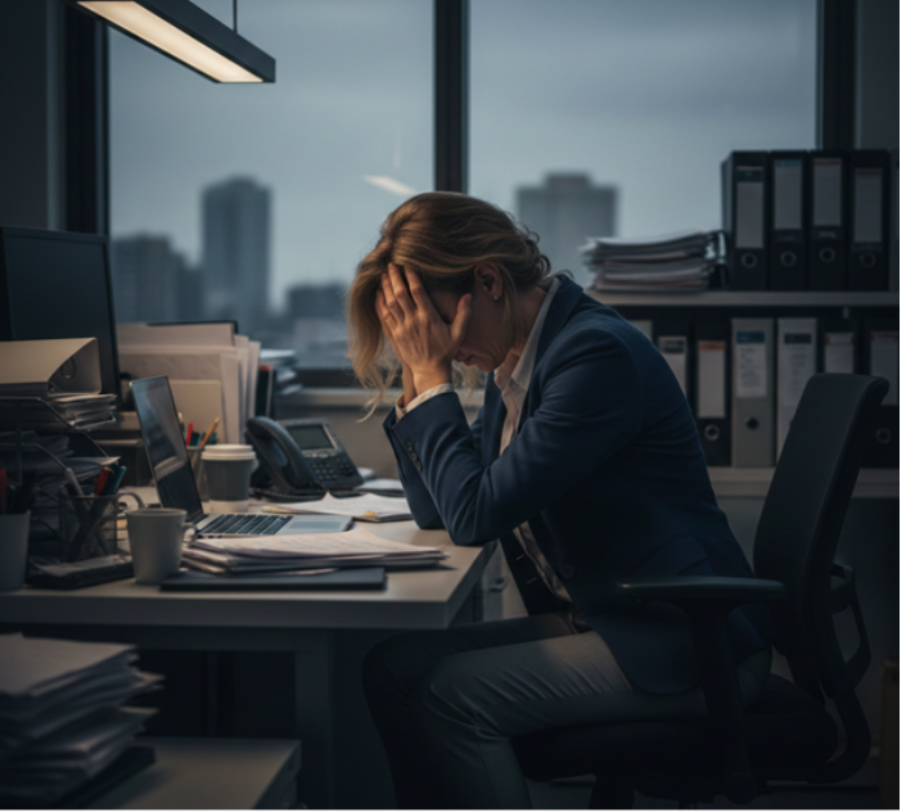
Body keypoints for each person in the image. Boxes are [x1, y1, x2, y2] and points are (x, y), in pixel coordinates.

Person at [347, 192, 771, 811]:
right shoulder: (517, 359)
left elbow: (473, 517)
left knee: (450, 696)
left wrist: (436, 379)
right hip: (608, 617)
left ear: (487, 280)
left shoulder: (592, 355)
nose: (435, 345)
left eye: (435, 324)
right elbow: (439, 508)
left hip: (683, 642)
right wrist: (418, 382)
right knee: (392, 670)